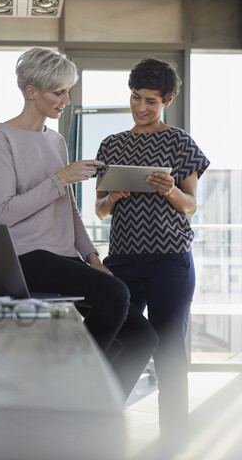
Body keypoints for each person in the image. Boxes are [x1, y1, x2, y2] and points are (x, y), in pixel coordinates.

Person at [0, 47, 157, 398]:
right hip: (23, 257)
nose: (66, 99)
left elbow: (68, 210)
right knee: (116, 294)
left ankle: (97, 412)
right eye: (57, 92)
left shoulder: (56, 140)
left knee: (142, 337)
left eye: (68, 90)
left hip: (63, 258)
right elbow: (7, 211)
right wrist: (61, 177)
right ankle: (67, 388)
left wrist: (92, 259)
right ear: (31, 91)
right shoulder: (0, 138)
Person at [95, 58, 210, 448]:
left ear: (168, 99)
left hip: (170, 260)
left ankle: (174, 444)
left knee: (169, 354)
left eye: (151, 101)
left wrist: (170, 189)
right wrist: (112, 196)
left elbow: (192, 205)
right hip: (123, 259)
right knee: (122, 344)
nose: (140, 107)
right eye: (135, 97)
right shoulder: (111, 145)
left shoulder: (180, 143)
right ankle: (101, 432)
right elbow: (98, 210)